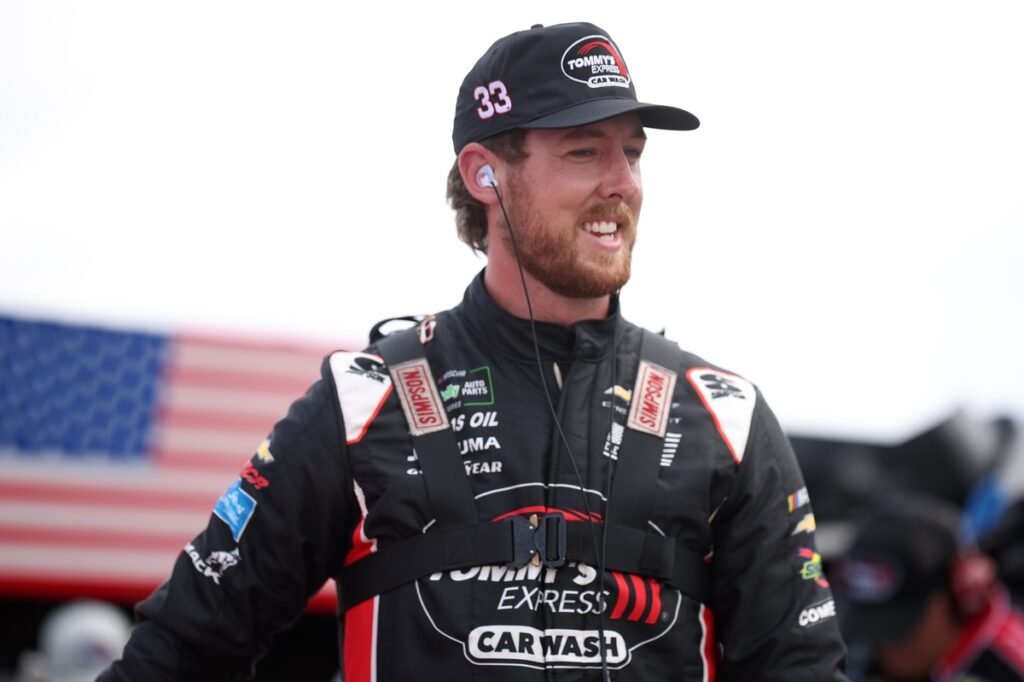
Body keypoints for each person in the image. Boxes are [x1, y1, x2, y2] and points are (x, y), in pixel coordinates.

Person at [100, 21, 848, 681]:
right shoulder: (366, 400)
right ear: (483, 174)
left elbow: (801, 668)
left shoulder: (724, 416)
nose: (622, 183)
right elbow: (184, 648)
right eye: (584, 152)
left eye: (632, 152)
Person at [836, 493, 1024, 682]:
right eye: (869, 626)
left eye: (898, 627)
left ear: (957, 595)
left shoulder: (1012, 667)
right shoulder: (861, 658)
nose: (885, 646)